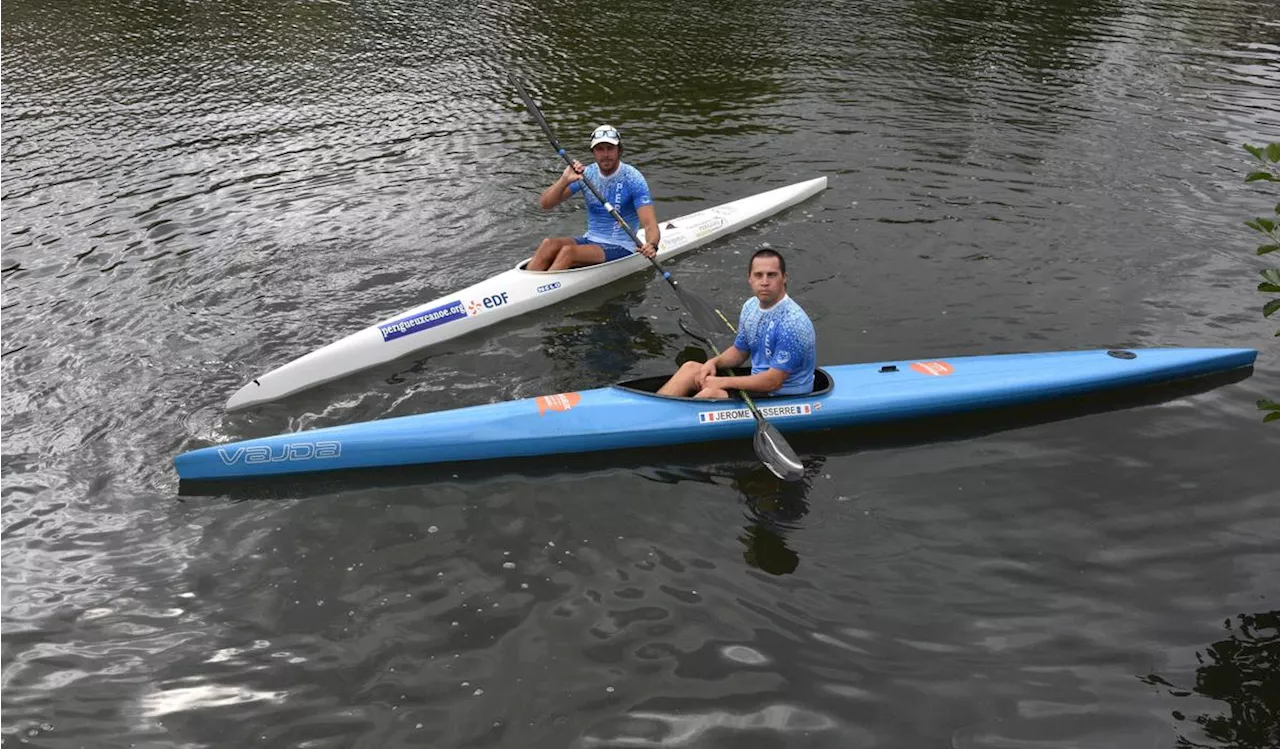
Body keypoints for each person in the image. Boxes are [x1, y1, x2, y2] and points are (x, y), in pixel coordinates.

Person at [658, 248, 816, 399]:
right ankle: (651, 413)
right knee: (690, 368)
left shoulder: (793, 323)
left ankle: (666, 423)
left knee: (710, 394)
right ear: (750, 278)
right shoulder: (750, 306)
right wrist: (714, 362)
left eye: (772, 275)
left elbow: (773, 382)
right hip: (759, 382)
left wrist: (721, 382)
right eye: (758, 275)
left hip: (783, 392)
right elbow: (740, 352)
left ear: (784, 277)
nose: (765, 282)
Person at [526, 124, 660, 271]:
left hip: (622, 245)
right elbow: (545, 204)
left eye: (610, 148)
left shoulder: (633, 178)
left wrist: (652, 244)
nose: (605, 154)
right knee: (548, 245)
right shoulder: (586, 175)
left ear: (619, 150)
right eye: (600, 149)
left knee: (568, 252)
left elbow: (650, 225)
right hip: (591, 239)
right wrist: (564, 180)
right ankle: (527, 287)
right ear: (593, 152)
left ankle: (546, 290)